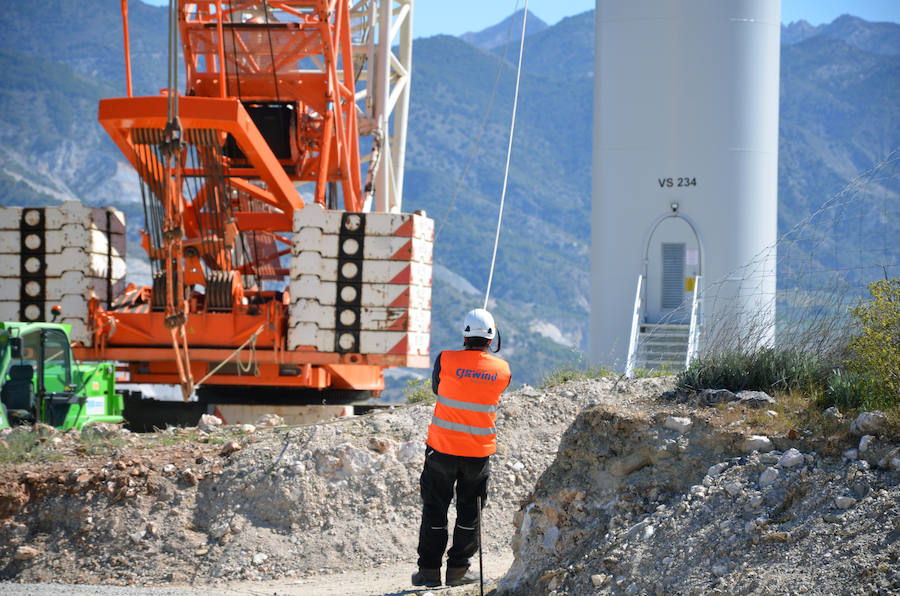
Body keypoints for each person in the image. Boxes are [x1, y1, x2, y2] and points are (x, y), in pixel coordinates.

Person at [412, 308, 511, 588]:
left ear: (465, 334)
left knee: (435, 510)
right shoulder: (502, 370)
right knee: (470, 512)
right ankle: (459, 571)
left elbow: (437, 389)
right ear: (492, 338)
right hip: (477, 455)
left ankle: (429, 572)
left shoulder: (445, 359)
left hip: (440, 450)